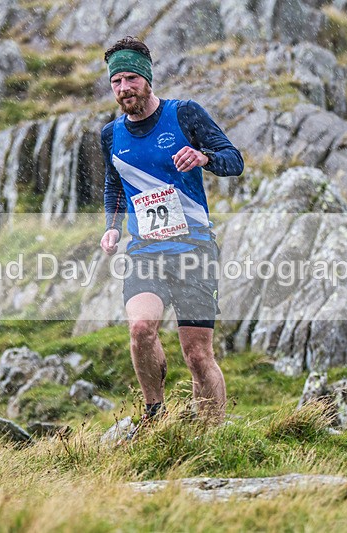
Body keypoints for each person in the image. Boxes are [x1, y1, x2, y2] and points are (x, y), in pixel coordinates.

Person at [98, 36, 244, 425]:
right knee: (141, 329)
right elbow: (114, 185)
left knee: (197, 355)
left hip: (194, 249)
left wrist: (204, 156)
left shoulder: (185, 115)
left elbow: (235, 160)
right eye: (116, 81)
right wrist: (112, 228)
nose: (124, 88)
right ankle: (154, 415)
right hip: (145, 250)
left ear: (147, 78)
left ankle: (212, 434)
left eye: (131, 78)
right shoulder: (111, 135)